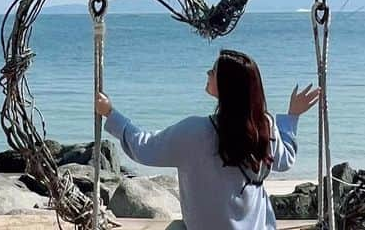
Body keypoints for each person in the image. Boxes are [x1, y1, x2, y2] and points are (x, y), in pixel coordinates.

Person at [95, 49, 320, 230]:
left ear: (225, 85)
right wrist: (292, 117)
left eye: (213, 72)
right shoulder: (265, 126)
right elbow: (285, 160)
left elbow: (144, 147)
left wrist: (111, 114)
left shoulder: (195, 132)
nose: (208, 73)